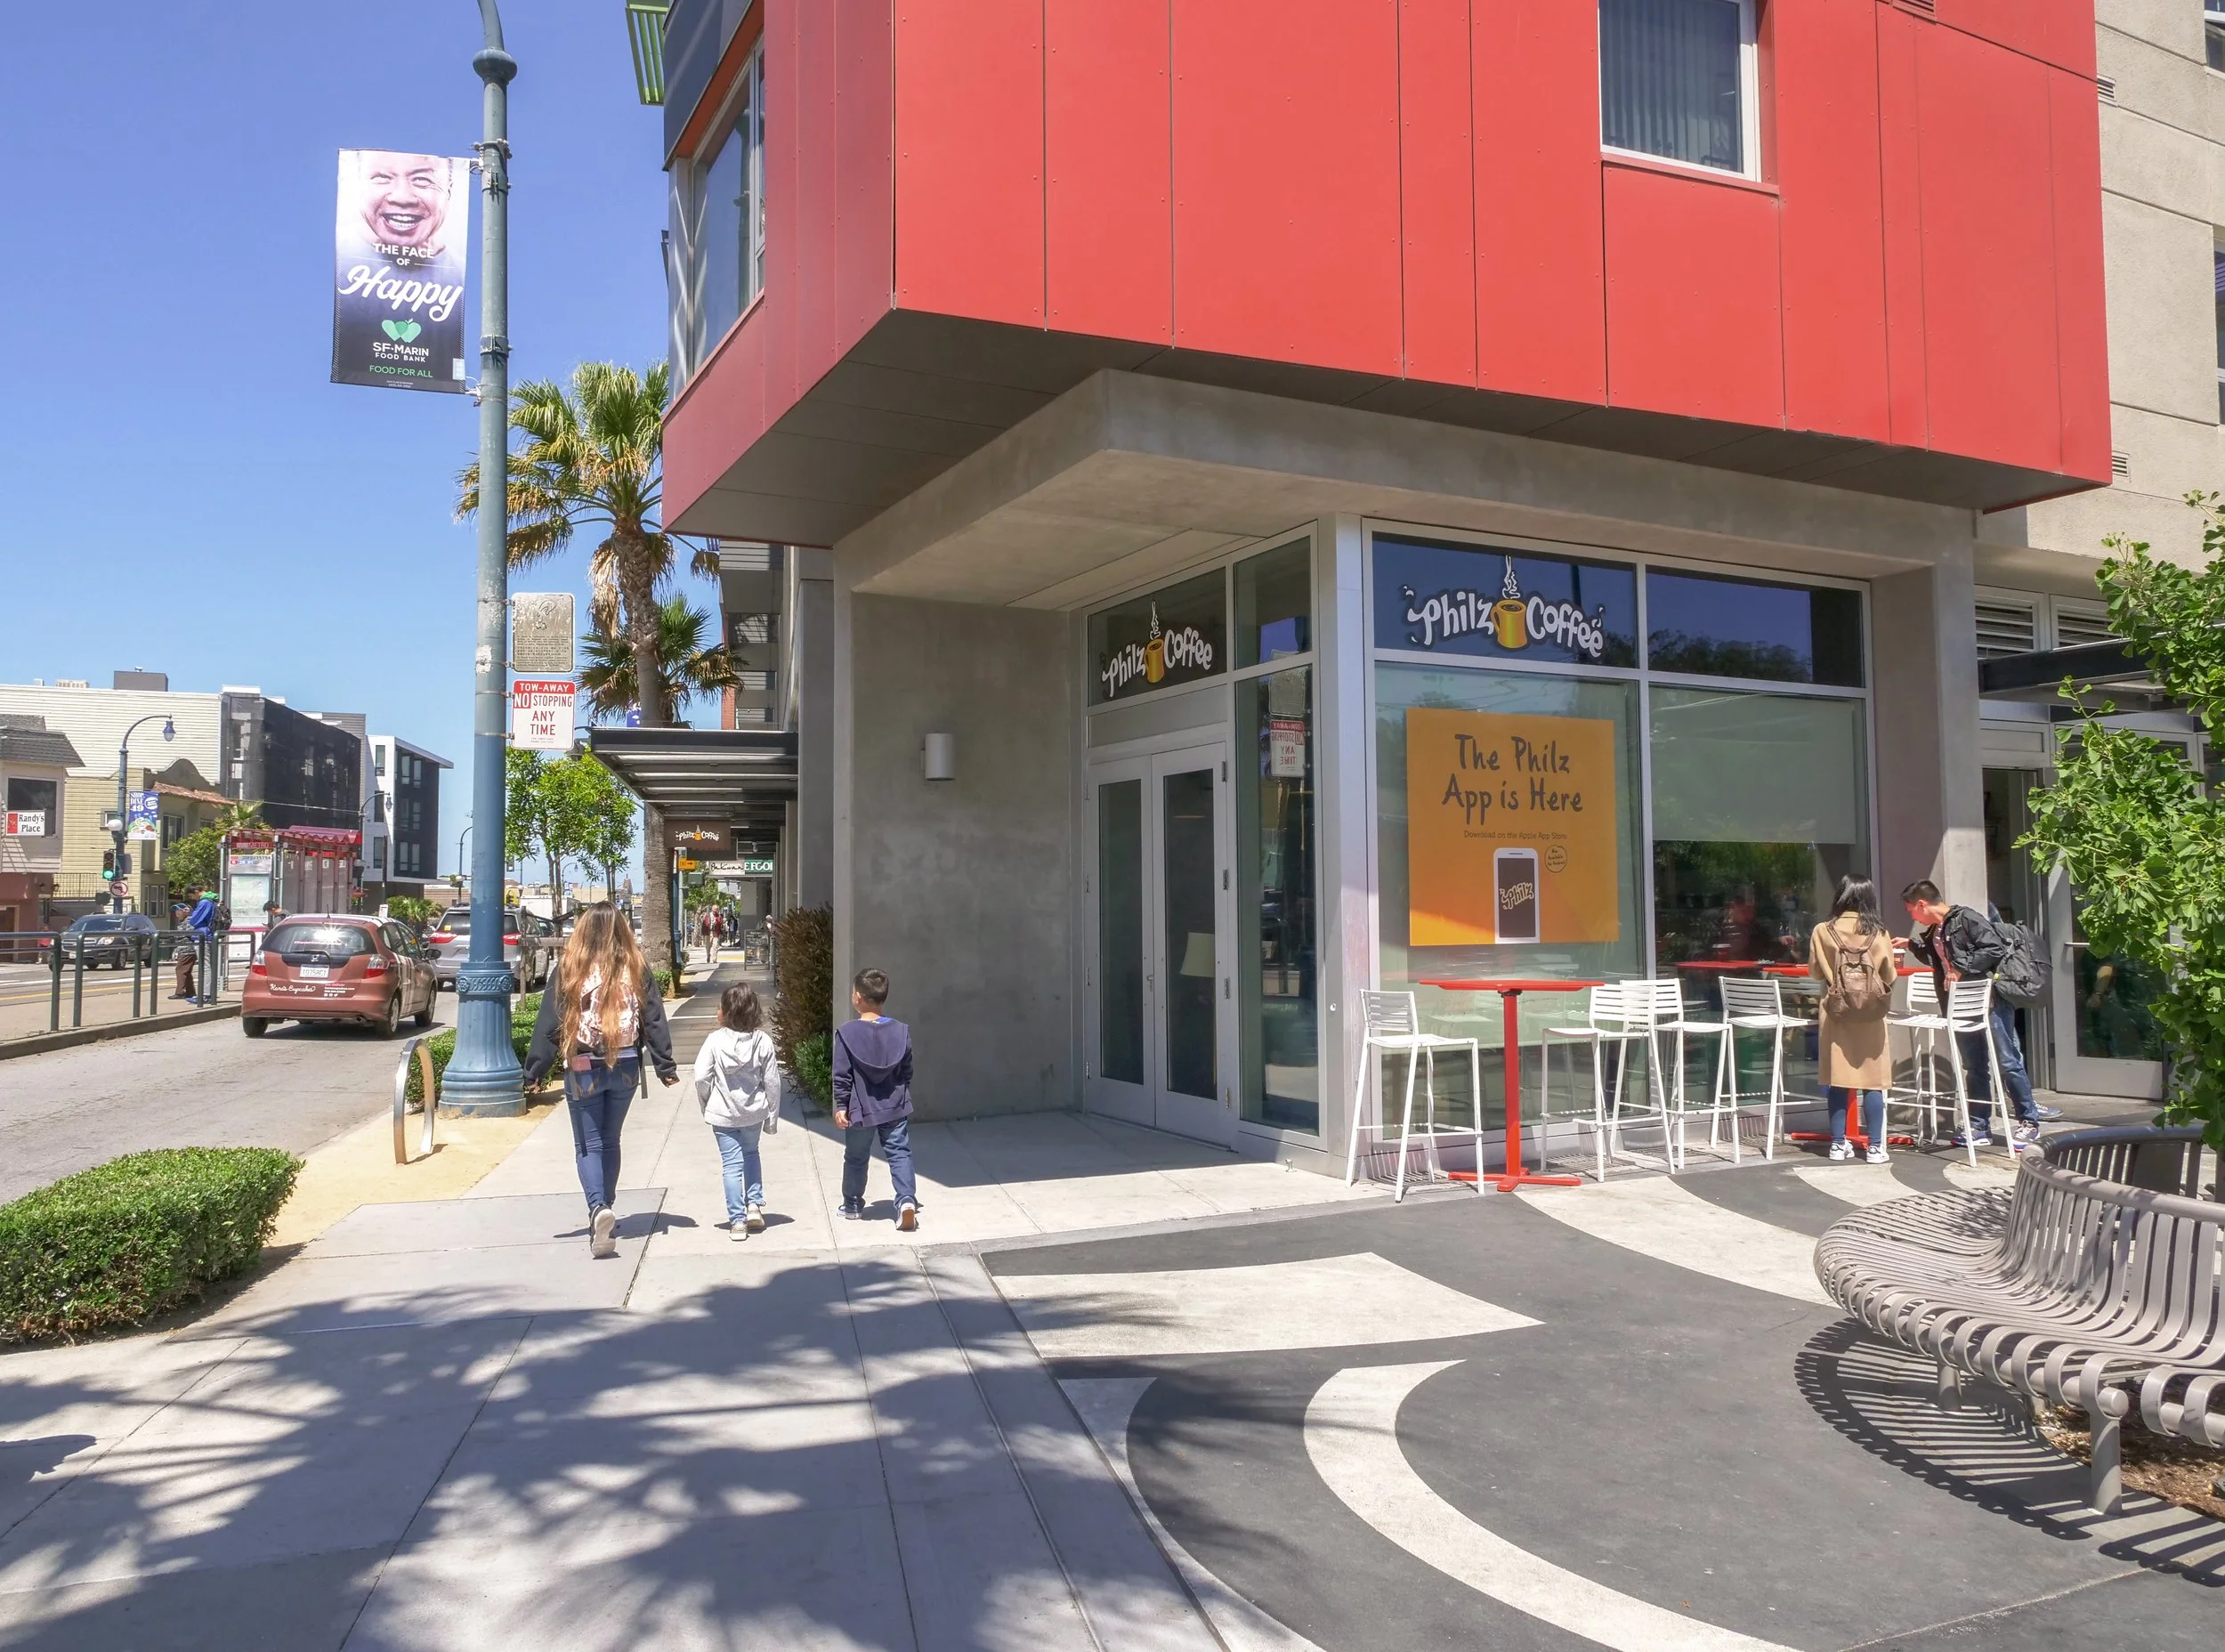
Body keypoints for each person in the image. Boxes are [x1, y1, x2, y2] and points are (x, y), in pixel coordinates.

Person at [523, 903, 678, 1257]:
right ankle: (606, 1206)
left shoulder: (571, 968)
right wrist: (664, 1066)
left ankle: (597, 1208)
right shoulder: (635, 966)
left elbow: (551, 1022)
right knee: (611, 1140)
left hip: (583, 1065)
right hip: (625, 1064)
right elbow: (653, 1017)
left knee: (588, 1144)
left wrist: (534, 1071)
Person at [1902, 879, 2042, 1148]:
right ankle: (1980, 1126)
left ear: (1922, 904)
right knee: (1974, 1066)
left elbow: (1994, 948)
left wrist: (1961, 968)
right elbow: (1938, 962)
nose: (1912, 916)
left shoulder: (1965, 918)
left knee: (2007, 1061)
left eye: (1911, 910)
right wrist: (1911, 945)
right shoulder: (1937, 930)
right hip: (1961, 1004)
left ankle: (2029, 1121)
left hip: (1989, 1001)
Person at [1809, 876, 1897, 1163]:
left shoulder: (1823, 931)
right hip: (1871, 1014)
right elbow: (1889, 975)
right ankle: (1874, 1147)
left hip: (1836, 1012)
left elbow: (1814, 973)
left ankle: (1837, 1144)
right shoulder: (1879, 933)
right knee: (1872, 1081)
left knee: (1838, 1078)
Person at [832, 968, 918, 1230]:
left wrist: (840, 1105)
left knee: (856, 1157)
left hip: (860, 1108)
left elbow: (842, 1074)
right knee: (899, 1153)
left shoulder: (847, 1033)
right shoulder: (901, 1031)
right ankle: (906, 1201)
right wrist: (901, 1091)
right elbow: (907, 1069)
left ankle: (853, 1206)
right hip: (894, 1105)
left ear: (857, 997)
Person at [693, 982, 780, 1239]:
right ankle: (754, 1205)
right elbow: (772, 1081)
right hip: (753, 1112)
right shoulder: (763, 1041)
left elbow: (701, 1077)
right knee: (752, 1153)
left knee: (731, 1165)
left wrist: (707, 1103)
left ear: (727, 1013)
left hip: (723, 1113)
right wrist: (772, 1117)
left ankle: (737, 1221)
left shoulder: (714, 1041)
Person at [174, 887, 217, 1001]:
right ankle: (207, 994)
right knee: (207, 965)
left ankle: (206, 995)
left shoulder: (205, 902)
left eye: (192, 896)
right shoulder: (211, 901)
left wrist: (194, 917)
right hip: (207, 935)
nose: (193, 898)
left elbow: (194, 920)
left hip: (202, 935)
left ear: (196, 891)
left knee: (205, 966)